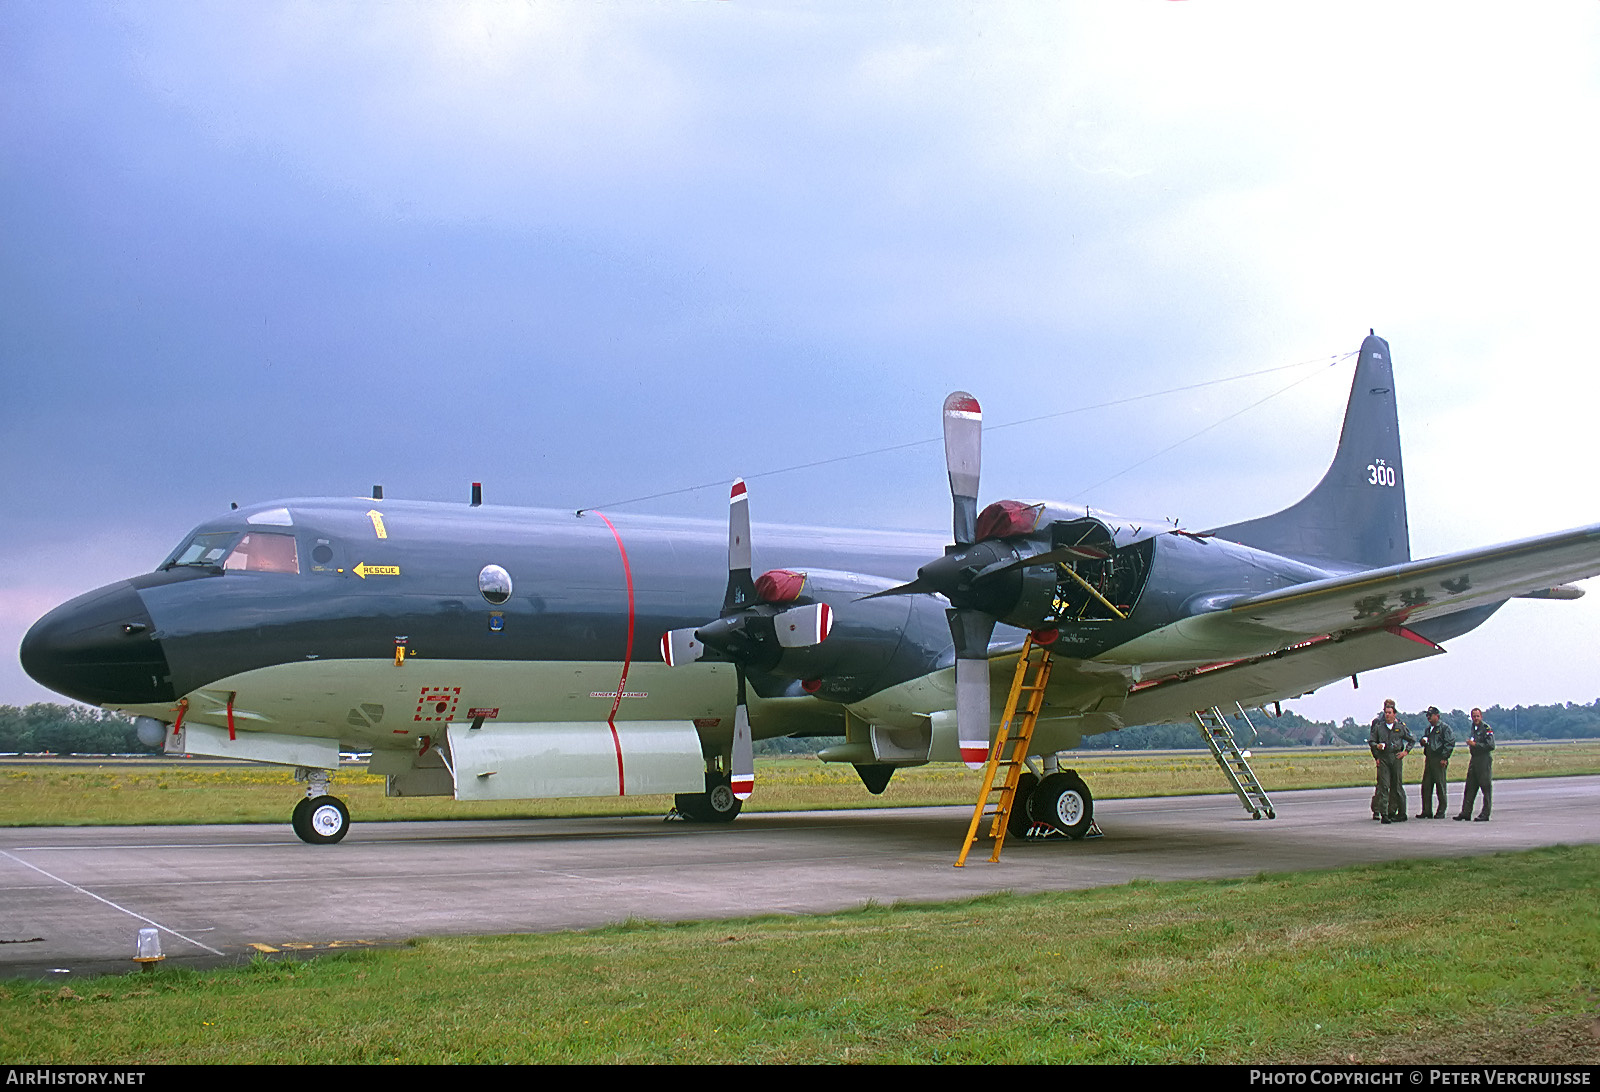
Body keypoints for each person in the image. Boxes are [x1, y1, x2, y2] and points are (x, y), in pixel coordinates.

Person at [1367, 699, 1414, 824]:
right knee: (1384, 786)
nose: (1387, 714)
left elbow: (1411, 739)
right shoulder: (1378, 726)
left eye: (1390, 712)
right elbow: (1371, 741)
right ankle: (1384, 813)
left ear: (1394, 713)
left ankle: (1400, 811)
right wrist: (1377, 749)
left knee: (1397, 786)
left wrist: (1405, 752)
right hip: (1384, 758)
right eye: (1386, 712)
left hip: (1396, 757)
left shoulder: (1400, 727)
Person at [1454, 707, 1495, 821]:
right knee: (1470, 787)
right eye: (1474, 716)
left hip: (1484, 760)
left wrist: (1475, 744)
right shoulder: (1474, 728)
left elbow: (1491, 745)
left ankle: (1485, 814)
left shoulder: (1486, 728)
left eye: (1477, 716)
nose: (1476, 718)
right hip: (1474, 759)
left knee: (1485, 787)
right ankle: (1466, 812)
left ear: (1481, 716)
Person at [1415, 706, 1455, 818]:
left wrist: (1444, 757)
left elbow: (1449, 743)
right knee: (1426, 786)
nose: (1428, 717)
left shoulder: (1444, 728)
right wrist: (1423, 742)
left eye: (1430, 715)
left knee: (1440, 786)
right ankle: (1426, 810)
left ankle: (1441, 811)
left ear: (1437, 716)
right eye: (1427, 715)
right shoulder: (1428, 729)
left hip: (1439, 759)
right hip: (1429, 759)